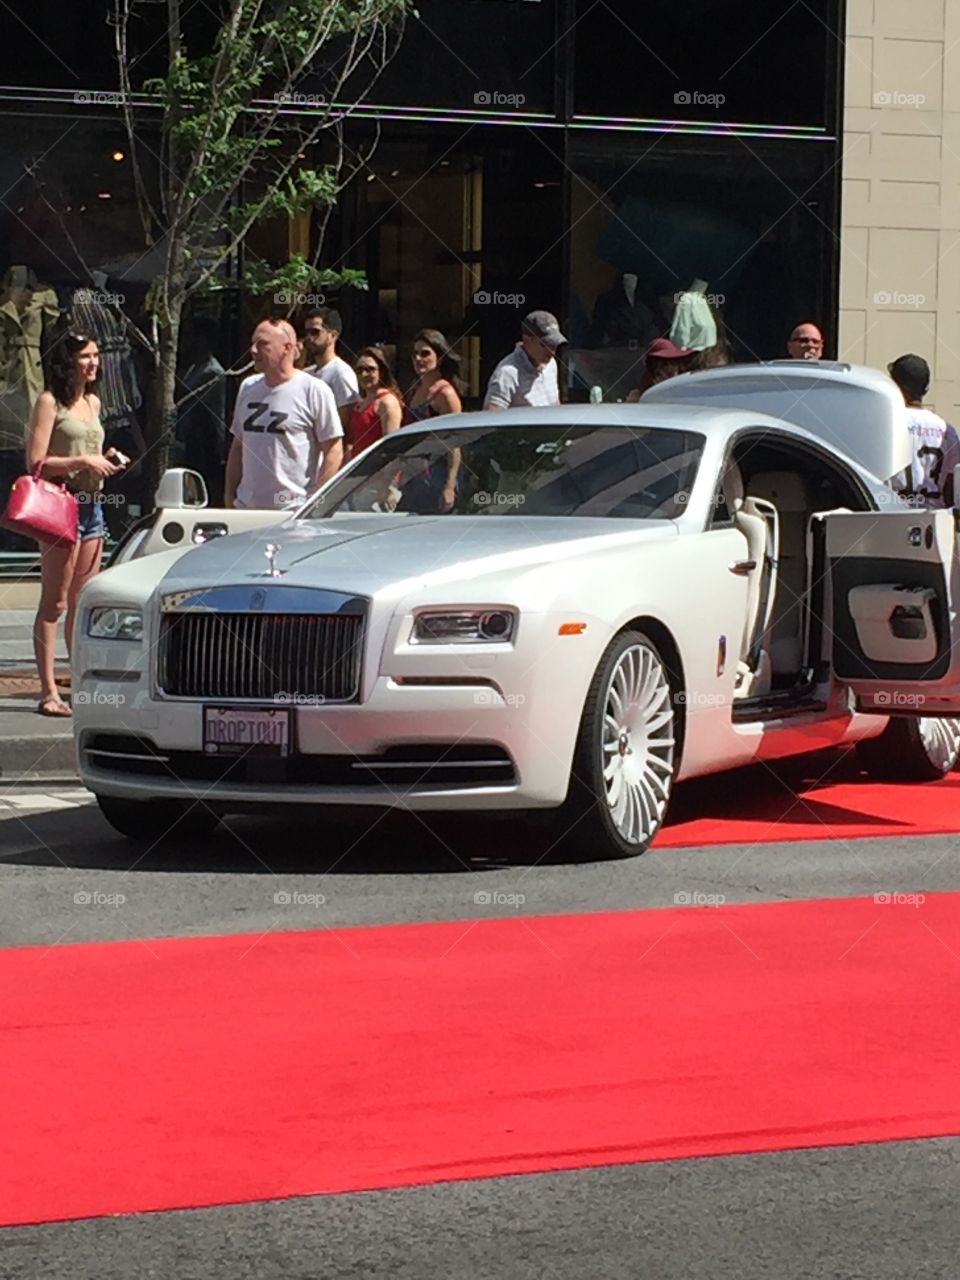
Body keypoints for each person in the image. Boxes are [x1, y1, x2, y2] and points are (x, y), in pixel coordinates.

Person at [25, 331, 124, 716]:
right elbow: (35, 462)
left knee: (83, 603)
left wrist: (106, 457)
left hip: (92, 505)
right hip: (59, 505)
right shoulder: (50, 402)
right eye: (85, 356)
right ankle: (48, 691)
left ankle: (78, 683)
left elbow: (90, 449)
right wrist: (82, 463)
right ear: (69, 362)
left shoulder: (93, 401)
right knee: (56, 601)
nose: (94, 362)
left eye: (96, 355)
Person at [225, 318, 343, 510]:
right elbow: (238, 446)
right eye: (253, 343)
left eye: (262, 344)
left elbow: (333, 449)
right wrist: (229, 496)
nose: (253, 350)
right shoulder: (248, 387)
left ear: (287, 348)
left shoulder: (313, 390)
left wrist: (314, 502)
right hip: (246, 510)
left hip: (291, 511)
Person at [888, 353, 960, 509]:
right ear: (926, 388)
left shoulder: (886, 423)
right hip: (935, 519)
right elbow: (951, 487)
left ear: (895, 386)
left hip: (892, 514)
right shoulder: (947, 430)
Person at [176, 315, 227, 506]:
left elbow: (184, 395)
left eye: (192, 337)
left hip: (206, 442)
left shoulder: (212, 372)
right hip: (190, 439)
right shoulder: (193, 367)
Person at [484, 310, 566, 410]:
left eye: (554, 345)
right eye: (545, 345)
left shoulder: (551, 364)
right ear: (527, 340)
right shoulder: (507, 374)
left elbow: (555, 402)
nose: (552, 352)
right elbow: (492, 416)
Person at [346, 346, 403, 460]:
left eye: (370, 369)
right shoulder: (361, 403)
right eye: (360, 370)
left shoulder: (387, 402)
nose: (364, 374)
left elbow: (390, 447)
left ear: (381, 372)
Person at [301, 307, 359, 421]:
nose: (309, 338)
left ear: (332, 335)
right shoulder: (306, 373)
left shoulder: (341, 373)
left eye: (315, 332)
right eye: (306, 332)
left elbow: (347, 422)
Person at [404, 329, 463, 422]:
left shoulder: (446, 394)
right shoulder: (414, 389)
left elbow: (453, 433)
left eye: (425, 354)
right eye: (415, 354)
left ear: (439, 358)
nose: (418, 358)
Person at [626, 337, 695, 401]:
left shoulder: (684, 388)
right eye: (667, 363)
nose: (674, 367)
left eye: (676, 362)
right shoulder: (644, 394)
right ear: (655, 366)